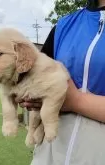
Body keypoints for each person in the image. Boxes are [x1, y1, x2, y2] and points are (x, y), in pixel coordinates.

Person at [16, 0, 105, 164]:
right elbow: (32, 76)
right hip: (49, 153)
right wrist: (24, 90)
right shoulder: (63, 25)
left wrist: (75, 101)